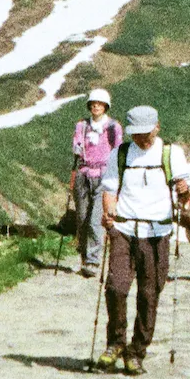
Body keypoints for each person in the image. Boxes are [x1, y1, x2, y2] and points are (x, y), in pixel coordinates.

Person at [99, 104, 190, 373]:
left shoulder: (171, 153)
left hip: (156, 233)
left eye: (145, 133)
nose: (141, 138)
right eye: (136, 134)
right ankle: (115, 342)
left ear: (157, 127)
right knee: (116, 286)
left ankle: (137, 350)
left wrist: (184, 191)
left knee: (149, 293)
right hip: (124, 228)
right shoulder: (121, 153)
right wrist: (108, 215)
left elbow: (183, 196)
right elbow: (110, 189)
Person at [70, 87, 118, 280]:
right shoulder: (81, 126)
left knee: (95, 219)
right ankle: (84, 255)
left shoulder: (114, 127)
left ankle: (92, 260)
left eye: (100, 103)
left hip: (104, 174)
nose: (96, 106)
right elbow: (76, 148)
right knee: (81, 218)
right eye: (93, 103)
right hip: (84, 173)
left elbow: (117, 149)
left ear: (106, 106)